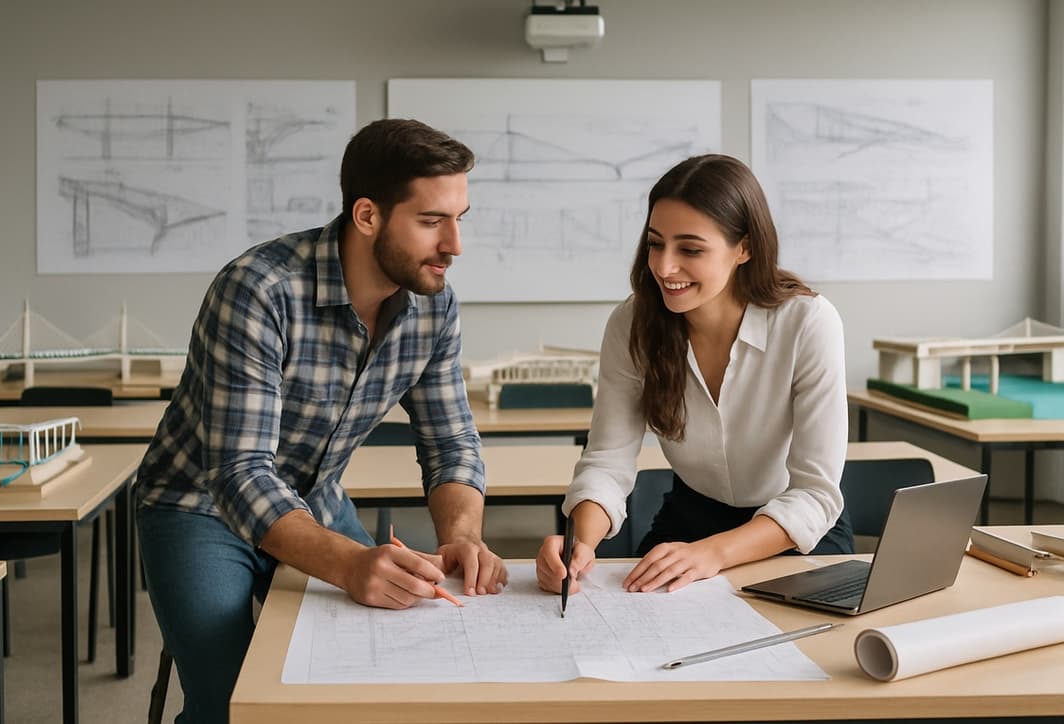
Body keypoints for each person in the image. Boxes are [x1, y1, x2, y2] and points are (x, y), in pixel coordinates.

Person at [136, 118, 507, 723]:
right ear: (368, 216)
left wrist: (462, 537)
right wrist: (349, 563)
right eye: (432, 221)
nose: (454, 244)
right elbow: (238, 472)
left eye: (460, 218)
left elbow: (451, 443)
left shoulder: (433, 305)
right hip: (197, 505)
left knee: (370, 677)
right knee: (231, 705)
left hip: (315, 497)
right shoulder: (259, 289)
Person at [536, 154, 852, 598]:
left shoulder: (807, 322)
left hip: (790, 528)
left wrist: (714, 553)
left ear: (744, 248)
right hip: (690, 520)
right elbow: (608, 460)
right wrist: (578, 543)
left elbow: (816, 495)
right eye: (655, 243)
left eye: (690, 249)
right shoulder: (632, 325)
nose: (664, 267)